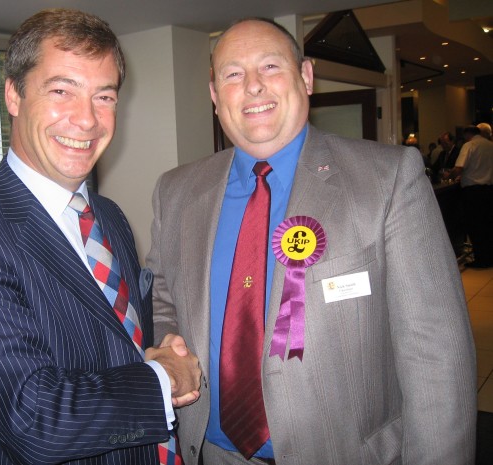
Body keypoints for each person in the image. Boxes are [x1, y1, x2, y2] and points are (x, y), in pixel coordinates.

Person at [147, 17, 477, 465]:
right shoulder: (177, 190)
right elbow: (164, 297)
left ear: (305, 77)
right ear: (214, 95)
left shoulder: (388, 178)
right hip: (214, 452)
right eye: (233, 74)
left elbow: (435, 351)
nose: (253, 87)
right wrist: (172, 351)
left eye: (269, 67)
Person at [0, 9, 200, 465]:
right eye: (62, 90)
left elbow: (122, 342)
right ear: (13, 94)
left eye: (103, 96)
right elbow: (34, 420)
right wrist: (164, 378)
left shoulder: (109, 216)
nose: (87, 119)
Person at [445, 125, 493, 268]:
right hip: (489, 190)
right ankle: (490, 256)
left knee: (475, 226)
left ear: (467, 134)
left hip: (473, 192)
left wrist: (450, 175)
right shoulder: (490, 145)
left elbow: (459, 168)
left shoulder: (469, 145)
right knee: (488, 225)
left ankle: (481, 259)